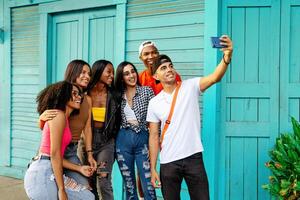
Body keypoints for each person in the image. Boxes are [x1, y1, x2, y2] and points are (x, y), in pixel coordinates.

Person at [146, 35, 233, 200]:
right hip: (168, 162)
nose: (169, 69)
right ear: (156, 76)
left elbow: (215, 77)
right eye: (163, 68)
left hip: (194, 158)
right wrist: (153, 169)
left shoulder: (191, 86)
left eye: (170, 66)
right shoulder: (154, 103)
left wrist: (227, 57)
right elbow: (153, 136)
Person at [24, 81, 95, 200]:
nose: (79, 97)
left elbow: (57, 157)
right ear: (64, 95)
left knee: (88, 197)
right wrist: (62, 190)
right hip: (43, 173)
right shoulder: (58, 115)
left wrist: (79, 168)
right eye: (74, 93)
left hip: (50, 168)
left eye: (79, 94)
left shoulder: (64, 118)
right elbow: (54, 154)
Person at [39, 60, 98, 188]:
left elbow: (87, 129)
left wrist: (89, 154)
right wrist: (41, 119)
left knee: (83, 186)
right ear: (73, 72)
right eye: (83, 72)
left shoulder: (87, 100)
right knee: (52, 187)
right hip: (54, 149)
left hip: (71, 150)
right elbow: (47, 126)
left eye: (89, 74)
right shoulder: (63, 96)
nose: (87, 76)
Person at [114, 61, 157, 200]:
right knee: (129, 186)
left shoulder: (147, 91)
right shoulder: (117, 95)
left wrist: (155, 143)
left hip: (142, 137)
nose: (131, 75)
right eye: (126, 73)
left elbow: (156, 118)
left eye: (133, 71)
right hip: (123, 140)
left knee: (148, 185)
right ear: (121, 77)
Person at [87, 59, 121, 200]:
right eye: (108, 72)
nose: (112, 75)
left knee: (103, 180)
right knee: (88, 181)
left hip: (106, 142)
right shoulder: (85, 93)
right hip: (87, 141)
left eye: (113, 72)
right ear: (98, 71)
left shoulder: (115, 95)